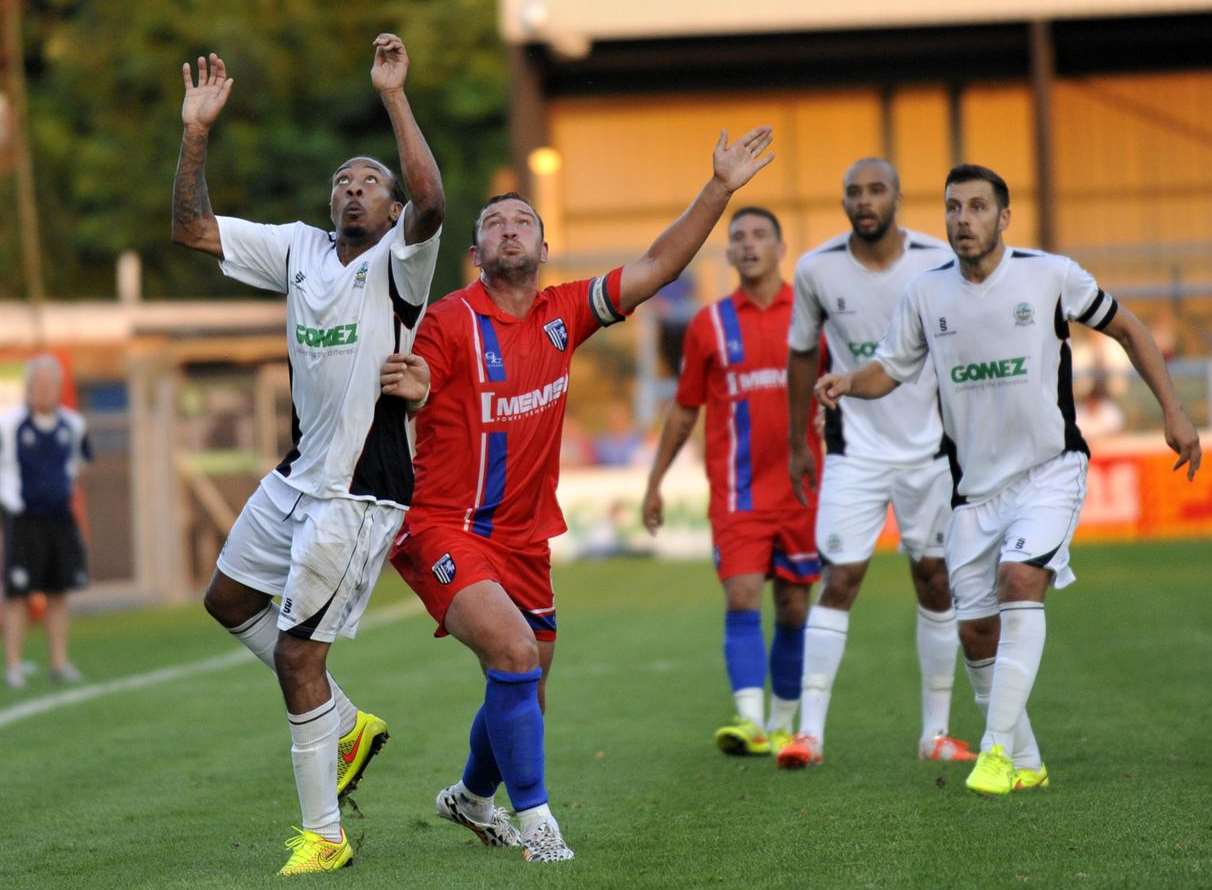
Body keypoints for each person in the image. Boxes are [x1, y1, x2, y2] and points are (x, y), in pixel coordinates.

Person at [382, 127, 775, 861]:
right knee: (513, 651)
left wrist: (719, 187)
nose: (509, 229)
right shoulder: (450, 321)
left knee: (525, 688)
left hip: (525, 537)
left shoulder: (566, 312)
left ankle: (470, 798)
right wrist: (417, 387)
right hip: (446, 526)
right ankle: (539, 828)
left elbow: (658, 266)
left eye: (522, 221)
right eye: (494, 223)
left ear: (544, 249)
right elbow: (424, 379)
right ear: (476, 254)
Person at [816, 163, 1201, 796]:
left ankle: (993, 751)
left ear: (1004, 217)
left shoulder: (1050, 276)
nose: (962, 220)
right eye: (952, 208)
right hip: (972, 490)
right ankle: (1026, 758)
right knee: (974, 630)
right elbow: (890, 367)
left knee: (1021, 580)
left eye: (975, 207)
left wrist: (1174, 408)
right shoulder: (926, 292)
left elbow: (1127, 327)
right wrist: (848, 383)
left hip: (1050, 468)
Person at [170, 35, 442, 873]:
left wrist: (393, 97)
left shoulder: (402, 261)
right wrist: (194, 134)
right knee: (226, 599)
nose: (351, 188)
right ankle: (348, 722)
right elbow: (190, 229)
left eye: (368, 182)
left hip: (360, 494)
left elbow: (432, 199)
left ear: (391, 212)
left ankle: (325, 836)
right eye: (341, 181)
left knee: (297, 655)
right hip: (298, 478)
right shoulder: (298, 249)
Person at [784, 158, 973, 767]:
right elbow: (801, 356)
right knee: (840, 579)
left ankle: (935, 734)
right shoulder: (815, 268)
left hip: (930, 451)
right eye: (853, 193)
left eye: (875, 190)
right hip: (854, 452)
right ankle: (808, 734)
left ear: (897, 195)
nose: (864, 201)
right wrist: (796, 444)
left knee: (937, 580)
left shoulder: (936, 262)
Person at [641, 206, 821, 766]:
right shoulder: (709, 325)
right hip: (737, 494)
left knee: (793, 607)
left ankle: (785, 724)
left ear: (781, 247)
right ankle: (749, 718)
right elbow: (684, 409)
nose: (748, 245)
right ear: (729, 253)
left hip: (802, 491)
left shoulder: (813, 319)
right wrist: (655, 482)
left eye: (759, 235)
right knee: (742, 595)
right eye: (738, 237)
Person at [0, 355, 92, 690]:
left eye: (49, 384)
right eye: (36, 384)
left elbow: (81, 464)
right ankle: (13, 666)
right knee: (16, 594)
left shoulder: (73, 425)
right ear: (27, 387)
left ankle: (59, 662)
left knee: (59, 591)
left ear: (58, 387)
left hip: (59, 519)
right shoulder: (8, 424)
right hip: (23, 518)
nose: (42, 390)